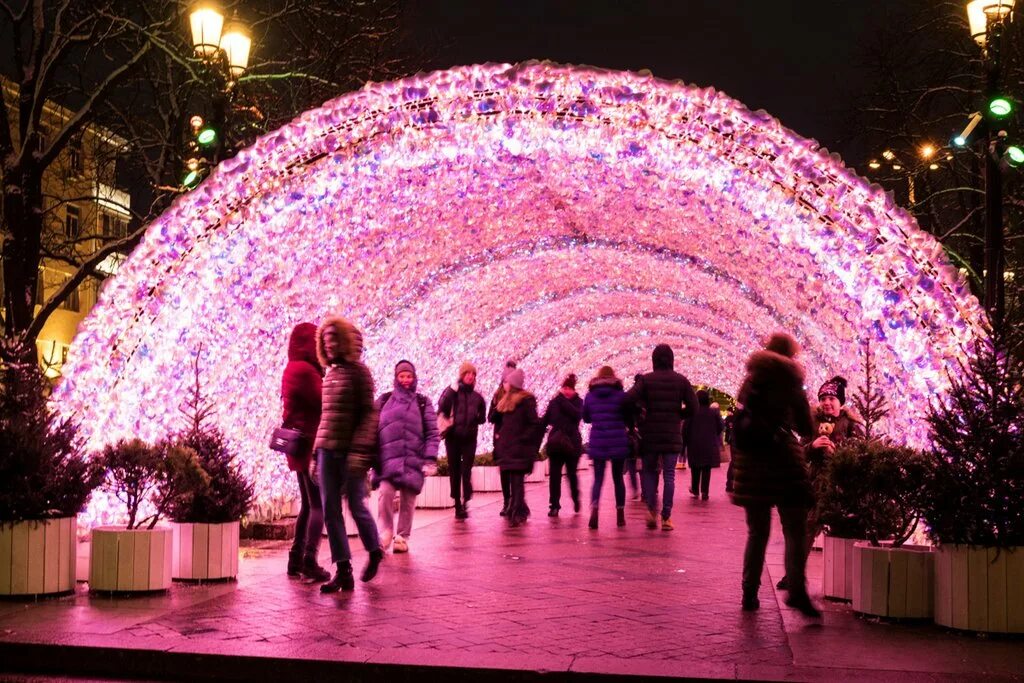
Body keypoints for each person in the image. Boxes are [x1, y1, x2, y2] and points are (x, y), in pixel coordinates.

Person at [730, 332, 821, 618]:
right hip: (783, 463)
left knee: (757, 532)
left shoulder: (751, 378)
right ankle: (796, 590)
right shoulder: (791, 379)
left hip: (751, 464)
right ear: (791, 354)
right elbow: (806, 425)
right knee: (795, 529)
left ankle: (749, 593)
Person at [776, 376, 866, 589]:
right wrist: (812, 446)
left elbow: (861, 454)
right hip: (815, 484)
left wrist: (839, 452)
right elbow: (798, 453)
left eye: (831, 398)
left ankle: (852, 581)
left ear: (840, 402)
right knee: (806, 528)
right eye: (823, 398)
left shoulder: (852, 425)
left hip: (841, 485)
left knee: (846, 528)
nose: (827, 402)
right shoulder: (811, 423)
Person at [314, 316, 380, 593]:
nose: (329, 345)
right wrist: (315, 454)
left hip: (350, 453)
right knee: (330, 511)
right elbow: (326, 416)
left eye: (333, 339)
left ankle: (374, 549)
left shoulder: (359, 373)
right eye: (324, 340)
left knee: (355, 505)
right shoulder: (330, 374)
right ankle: (343, 569)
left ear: (343, 341)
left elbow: (368, 415)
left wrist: (359, 451)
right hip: (327, 451)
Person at [628, 344, 698, 531]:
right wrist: (679, 415)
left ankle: (651, 509)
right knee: (669, 475)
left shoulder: (646, 380)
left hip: (650, 435)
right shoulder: (681, 381)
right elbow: (694, 406)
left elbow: (627, 399)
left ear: (654, 360)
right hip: (672, 435)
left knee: (650, 472)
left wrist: (639, 414)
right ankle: (666, 517)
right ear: (671, 359)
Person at [280, 323, 330, 582]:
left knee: (307, 505)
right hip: (309, 446)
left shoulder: (293, 368)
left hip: (300, 446)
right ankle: (309, 559)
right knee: (317, 505)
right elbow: (324, 401)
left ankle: (295, 558)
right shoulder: (305, 371)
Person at [374, 360, 440, 554]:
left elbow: (432, 433)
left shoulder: (422, 402)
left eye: (408, 376)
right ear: (396, 377)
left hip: (413, 460)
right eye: (401, 376)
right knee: (385, 493)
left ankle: (402, 536)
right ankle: (385, 533)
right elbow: (371, 429)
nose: (405, 380)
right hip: (387, 460)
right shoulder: (384, 400)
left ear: (414, 378)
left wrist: (430, 459)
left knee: (408, 500)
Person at [493, 368, 543, 527]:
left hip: (519, 448)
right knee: (515, 482)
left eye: (507, 382)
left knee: (517, 481)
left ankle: (516, 510)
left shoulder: (525, 402)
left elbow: (533, 424)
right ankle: (519, 509)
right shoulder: (506, 401)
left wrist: (523, 438)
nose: (504, 384)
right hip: (509, 447)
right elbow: (494, 417)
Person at [582, 366, 632, 529]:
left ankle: (595, 509)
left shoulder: (590, 396)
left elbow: (587, 418)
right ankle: (620, 515)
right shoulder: (621, 395)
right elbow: (627, 417)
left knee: (598, 479)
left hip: (598, 441)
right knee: (618, 478)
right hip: (618, 440)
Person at [437, 362, 486, 519]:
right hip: (452, 437)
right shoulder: (452, 392)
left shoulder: (478, 397)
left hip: (469, 439)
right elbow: (442, 406)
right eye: (467, 373)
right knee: (455, 470)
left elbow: (483, 417)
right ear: (462, 375)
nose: (470, 376)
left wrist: (477, 419)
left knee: (466, 471)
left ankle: (465, 501)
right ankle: (458, 503)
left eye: (473, 374)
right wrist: (452, 390)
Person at [542, 373, 583, 516]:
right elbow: (545, 420)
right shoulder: (554, 403)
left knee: (571, 474)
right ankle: (554, 505)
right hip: (556, 444)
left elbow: (577, 415)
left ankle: (576, 498)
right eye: (564, 388)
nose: (566, 391)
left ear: (574, 389)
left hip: (572, 444)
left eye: (569, 388)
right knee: (554, 476)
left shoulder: (578, 402)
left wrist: (561, 400)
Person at [488, 359, 519, 516]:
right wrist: (499, 408)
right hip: (500, 438)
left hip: (514, 439)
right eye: (506, 380)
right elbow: (490, 417)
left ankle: (515, 502)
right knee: (505, 472)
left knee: (514, 473)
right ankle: (507, 501)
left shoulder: (521, 396)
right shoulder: (497, 395)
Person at [684, 390, 724, 501]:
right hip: (708, 444)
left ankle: (695, 489)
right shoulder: (713, 413)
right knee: (706, 468)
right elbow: (721, 426)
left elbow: (685, 428)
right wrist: (713, 434)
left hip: (694, 443)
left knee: (695, 467)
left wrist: (685, 442)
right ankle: (705, 491)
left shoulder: (692, 412)